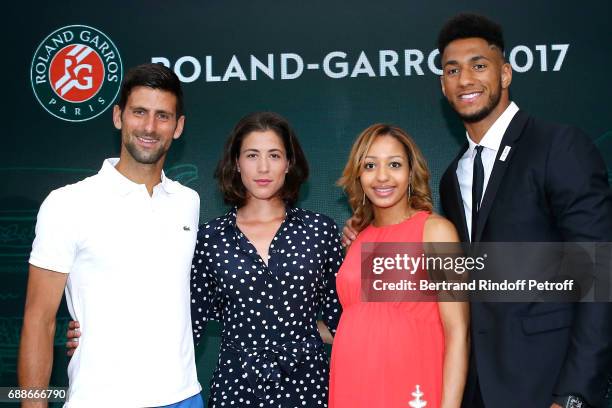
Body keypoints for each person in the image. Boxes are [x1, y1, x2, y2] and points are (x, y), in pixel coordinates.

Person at [344, 13, 612, 408]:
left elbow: (598, 273)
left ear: (505, 74)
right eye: (453, 70)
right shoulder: (454, 177)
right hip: (476, 389)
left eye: (479, 65)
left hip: (548, 386)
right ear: (442, 84)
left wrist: (575, 395)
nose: (465, 79)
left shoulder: (558, 145)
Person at [18, 63, 204, 408]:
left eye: (163, 116)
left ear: (178, 127)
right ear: (118, 116)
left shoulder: (187, 203)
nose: (149, 127)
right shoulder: (67, 204)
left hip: (184, 397)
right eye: (139, 112)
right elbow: (39, 319)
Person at [330, 124, 469, 408]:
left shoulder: (435, 232)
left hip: (411, 387)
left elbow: (458, 332)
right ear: (359, 174)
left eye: (394, 164)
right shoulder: (358, 238)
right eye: (370, 165)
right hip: (352, 387)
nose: (382, 176)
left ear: (410, 172)